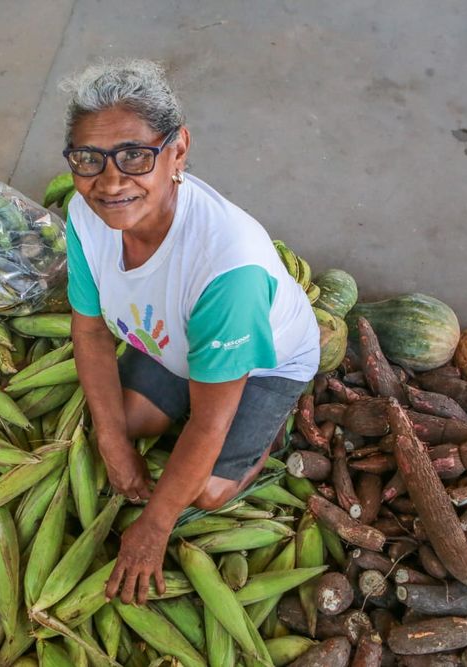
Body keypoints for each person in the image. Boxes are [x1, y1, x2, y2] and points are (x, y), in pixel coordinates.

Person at [61, 59, 319, 605]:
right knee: (122, 423)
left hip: (262, 363)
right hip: (169, 343)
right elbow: (88, 331)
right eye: (89, 160)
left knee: (205, 491)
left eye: (135, 155)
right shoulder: (85, 216)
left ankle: (266, 430)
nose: (110, 182)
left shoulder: (227, 269)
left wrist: (153, 530)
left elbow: (209, 420)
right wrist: (111, 442)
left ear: (177, 151)